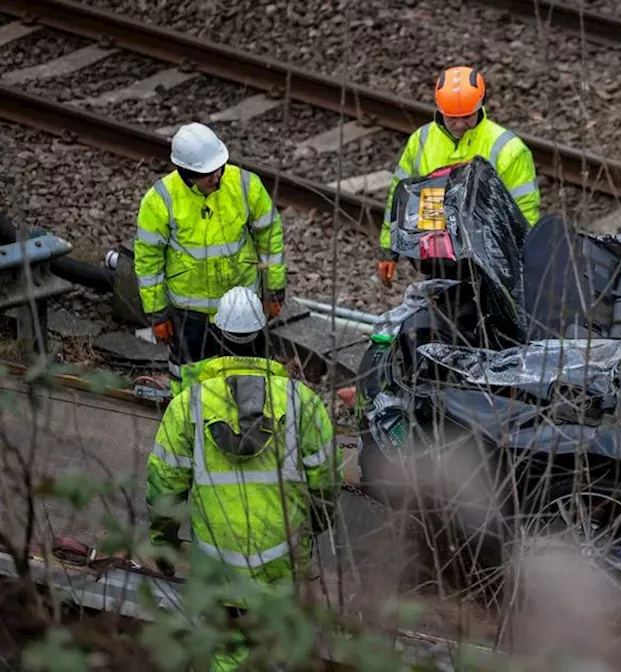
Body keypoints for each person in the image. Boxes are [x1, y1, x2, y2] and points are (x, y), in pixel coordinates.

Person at [146, 287, 339, 669]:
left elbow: (164, 488)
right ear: (265, 339)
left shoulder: (190, 404)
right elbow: (325, 485)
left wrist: (163, 546)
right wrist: (312, 530)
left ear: (216, 338)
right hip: (281, 567)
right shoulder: (302, 403)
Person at [133, 121, 288, 389]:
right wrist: (157, 313)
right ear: (185, 172)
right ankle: (188, 423)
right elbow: (148, 262)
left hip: (242, 308)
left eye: (219, 169)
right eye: (207, 174)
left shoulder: (245, 185)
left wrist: (275, 290)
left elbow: (271, 239)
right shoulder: (160, 200)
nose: (216, 177)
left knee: (251, 378)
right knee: (188, 381)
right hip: (190, 313)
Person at [377, 65, 540, 288]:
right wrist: (389, 249)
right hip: (436, 258)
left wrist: (523, 262)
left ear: (481, 105)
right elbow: (400, 195)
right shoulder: (421, 141)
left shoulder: (508, 149)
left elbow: (524, 210)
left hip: (487, 259)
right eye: (453, 118)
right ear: (439, 109)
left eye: (467, 117)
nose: (461, 124)